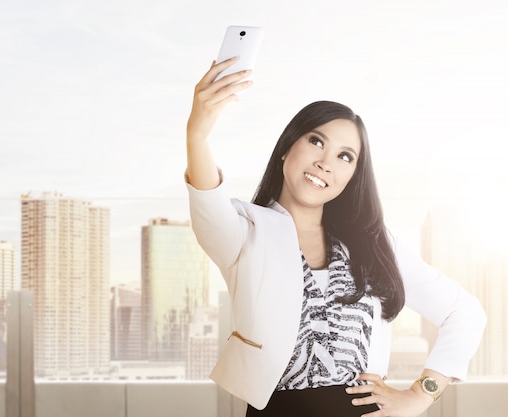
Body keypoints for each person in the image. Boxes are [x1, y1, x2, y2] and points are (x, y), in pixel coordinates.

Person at [184, 57, 487, 417]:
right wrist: (197, 133)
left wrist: (420, 395)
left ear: (352, 176)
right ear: (286, 148)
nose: (326, 162)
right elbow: (207, 199)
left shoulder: (373, 244)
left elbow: (464, 312)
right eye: (316, 141)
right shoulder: (245, 231)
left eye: (345, 156)